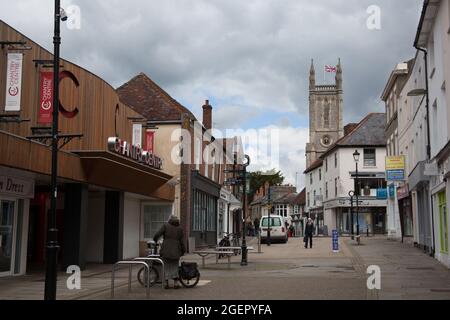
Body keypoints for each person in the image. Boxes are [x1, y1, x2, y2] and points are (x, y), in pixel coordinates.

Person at [153, 215, 186, 289]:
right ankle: (176, 284)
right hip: (176, 250)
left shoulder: (165, 226)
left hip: (166, 249)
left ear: (170, 220)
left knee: (166, 266)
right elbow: (182, 241)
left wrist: (155, 239)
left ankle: (166, 284)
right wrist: (183, 250)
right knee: (175, 266)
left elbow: (158, 234)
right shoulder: (180, 228)